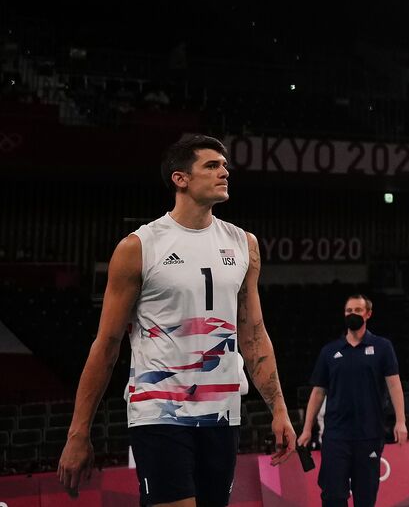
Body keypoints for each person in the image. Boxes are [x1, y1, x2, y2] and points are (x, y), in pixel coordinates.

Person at [57, 134, 295, 501]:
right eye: (211, 166)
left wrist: (279, 409)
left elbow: (253, 334)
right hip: (159, 411)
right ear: (180, 178)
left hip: (222, 414)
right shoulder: (139, 247)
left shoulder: (243, 244)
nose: (224, 172)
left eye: (225, 166)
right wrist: (78, 432)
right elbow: (106, 344)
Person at [298, 294, 407, 507]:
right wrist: (307, 429)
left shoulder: (383, 347)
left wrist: (401, 421)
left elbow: (394, 385)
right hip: (336, 435)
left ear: (368, 314)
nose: (352, 314)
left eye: (358, 310)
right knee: (333, 496)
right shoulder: (330, 351)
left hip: (370, 434)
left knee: (365, 498)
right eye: (349, 311)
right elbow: (318, 392)